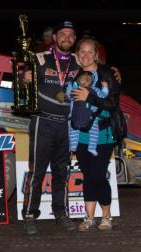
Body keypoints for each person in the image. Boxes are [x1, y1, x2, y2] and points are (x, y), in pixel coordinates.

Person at [22, 20, 80, 235]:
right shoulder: (39, 59)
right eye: (62, 34)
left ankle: (61, 213)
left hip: (66, 126)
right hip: (42, 122)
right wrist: (24, 78)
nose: (67, 38)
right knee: (37, 172)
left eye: (71, 35)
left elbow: (96, 70)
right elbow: (21, 84)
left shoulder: (77, 62)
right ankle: (29, 215)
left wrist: (112, 72)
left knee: (61, 172)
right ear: (54, 37)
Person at [70, 37, 120, 231]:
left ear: (96, 54)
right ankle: (89, 218)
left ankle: (107, 216)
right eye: (82, 51)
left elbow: (113, 104)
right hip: (79, 134)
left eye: (90, 52)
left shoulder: (107, 73)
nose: (86, 55)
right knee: (88, 176)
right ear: (77, 54)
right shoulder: (73, 75)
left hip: (102, 133)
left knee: (98, 175)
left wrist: (89, 96)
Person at [66, 70, 109, 156]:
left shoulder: (95, 89)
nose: (85, 81)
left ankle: (92, 147)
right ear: (78, 80)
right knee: (73, 130)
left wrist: (105, 87)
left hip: (91, 117)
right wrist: (67, 89)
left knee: (94, 132)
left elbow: (103, 95)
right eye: (83, 79)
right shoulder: (75, 89)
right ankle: (73, 147)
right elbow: (67, 97)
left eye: (88, 79)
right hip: (76, 116)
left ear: (92, 82)